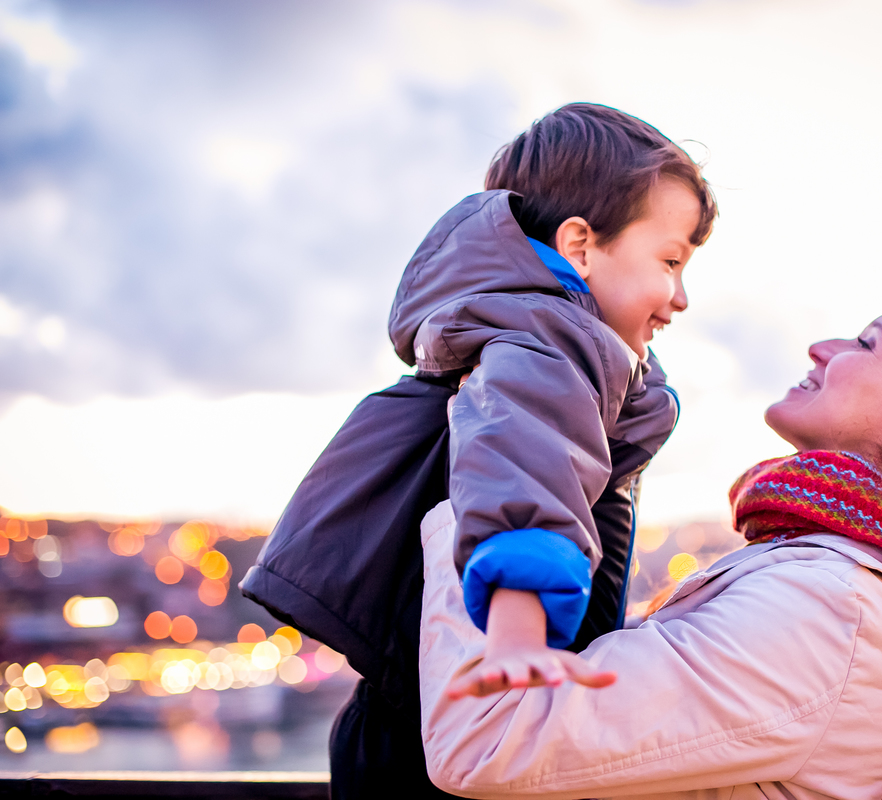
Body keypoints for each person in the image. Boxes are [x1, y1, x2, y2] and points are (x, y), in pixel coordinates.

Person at [421, 290, 882, 800]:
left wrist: (499, 489)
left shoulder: (831, 611)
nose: (822, 346)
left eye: (867, 343)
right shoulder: (837, 582)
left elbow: (489, 734)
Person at [243, 102, 717, 798]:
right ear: (580, 246)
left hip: (414, 711)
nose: (680, 297)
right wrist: (519, 642)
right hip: (453, 719)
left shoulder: (533, 335)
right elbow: (522, 474)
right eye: (670, 262)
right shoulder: (547, 343)